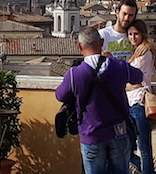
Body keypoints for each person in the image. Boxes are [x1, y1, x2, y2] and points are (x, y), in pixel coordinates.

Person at [56, 27, 143, 174]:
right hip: (119, 131)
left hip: (91, 134)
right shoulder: (118, 66)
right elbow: (138, 77)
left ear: (79, 46)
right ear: (102, 42)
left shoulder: (74, 74)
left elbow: (60, 95)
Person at [126, 20, 156, 174]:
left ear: (142, 34)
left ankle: (146, 170)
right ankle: (146, 169)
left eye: (136, 34)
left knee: (143, 147)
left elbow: (131, 78)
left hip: (139, 102)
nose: (133, 37)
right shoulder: (141, 51)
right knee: (128, 145)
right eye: (130, 34)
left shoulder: (144, 52)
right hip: (132, 103)